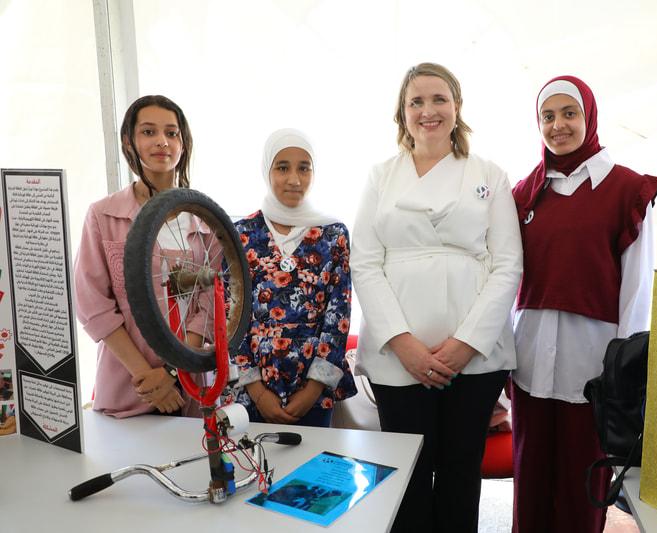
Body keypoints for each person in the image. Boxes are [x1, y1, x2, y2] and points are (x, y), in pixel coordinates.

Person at [351, 62, 522, 533]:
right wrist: (402, 341)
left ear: (457, 106)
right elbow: (364, 262)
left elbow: (508, 264)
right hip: (396, 357)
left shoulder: (490, 174)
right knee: (405, 476)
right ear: (402, 113)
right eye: (417, 102)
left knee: (460, 474)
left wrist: (466, 343)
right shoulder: (381, 177)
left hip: (476, 358)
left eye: (438, 99)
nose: (428, 111)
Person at [511, 75, 657, 533]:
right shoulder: (524, 192)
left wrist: (621, 374)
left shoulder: (627, 190)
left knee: (581, 489)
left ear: (589, 116)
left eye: (569, 113)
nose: (558, 125)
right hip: (531, 363)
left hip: (591, 367)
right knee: (530, 483)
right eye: (548, 116)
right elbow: (508, 279)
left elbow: (637, 288)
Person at [75, 94, 201, 418]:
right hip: (127, 385)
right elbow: (92, 305)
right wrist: (148, 378)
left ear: (184, 143)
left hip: (191, 387)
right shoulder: (103, 216)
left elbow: (210, 307)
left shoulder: (205, 220)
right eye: (148, 132)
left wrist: (172, 374)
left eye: (171, 133)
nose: (162, 141)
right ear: (128, 142)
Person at [231, 128, 356, 428]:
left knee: (311, 459)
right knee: (256, 457)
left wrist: (313, 389)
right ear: (267, 170)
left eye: (304, 168)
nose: (294, 179)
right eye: (282, 167)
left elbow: (338, 315)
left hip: (313, 387)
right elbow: (231, 314)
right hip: (255, 387)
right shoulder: (241, 233)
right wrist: (257, 391)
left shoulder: (332, 233)